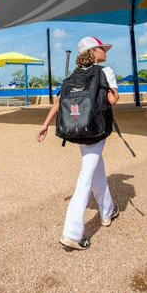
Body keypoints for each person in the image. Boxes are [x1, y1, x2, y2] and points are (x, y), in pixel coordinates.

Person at [36, 36, 120, 250]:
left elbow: (58, 102)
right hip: (96, 130)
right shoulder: (105, 71)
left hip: (76, 129)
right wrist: (112, 90)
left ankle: (107, 211)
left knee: (95, 169)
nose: (105, 51)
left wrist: (45, 125)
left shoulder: (72, 76)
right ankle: (71, 232)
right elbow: (113, 100)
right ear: (94, 52)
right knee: (85, 177)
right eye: (102, 48)